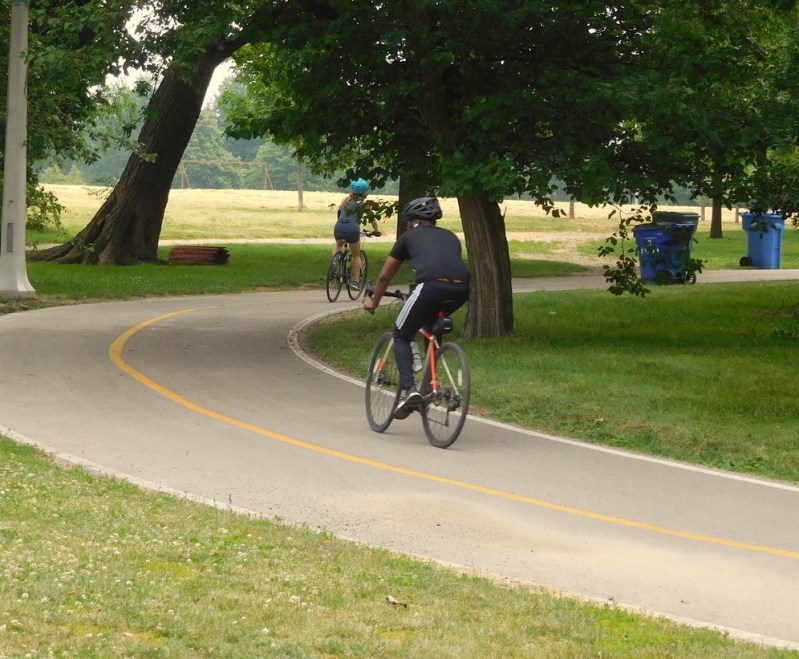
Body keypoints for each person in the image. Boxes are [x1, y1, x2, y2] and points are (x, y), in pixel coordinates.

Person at [363, 196, 470, 419]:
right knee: (430, 331)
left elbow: (385, 277)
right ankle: (432, 387)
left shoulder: (408, 237)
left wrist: (373, 301)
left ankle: (410, 391)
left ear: (415, 221)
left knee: (401, 334)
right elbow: (444, 264)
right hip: (462, 289)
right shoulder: (451, 237)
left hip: (430, 286)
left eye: (409, 220)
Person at [333, 178, 380, 290]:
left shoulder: (345, 200)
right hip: (352, 229)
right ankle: (355, 282)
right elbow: (372, 220)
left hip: (339, 227)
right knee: (356, 255)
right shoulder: (363, 205)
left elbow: (339, 213)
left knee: (338, 244)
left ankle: (335, 262)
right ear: (364, 192)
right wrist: (377, 231)